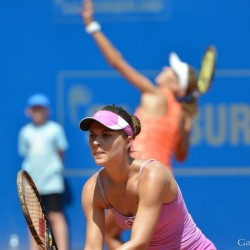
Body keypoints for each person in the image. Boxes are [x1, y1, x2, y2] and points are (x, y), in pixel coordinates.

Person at [81, 0, 199, 248]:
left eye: (172, 71)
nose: (166, 68)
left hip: (143, 175)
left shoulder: (155, 95)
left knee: (122, 238)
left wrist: (92, 26)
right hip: (153, 176)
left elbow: (117, 62)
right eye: (93, 134)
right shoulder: (181, 115)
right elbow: (182, 154)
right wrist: (186, 128)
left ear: (177, 87)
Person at [80, 105, 216, 250]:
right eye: (92, 135)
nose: (95, 142)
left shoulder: (152, 175)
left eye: (106, 135)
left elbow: (139, 243)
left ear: (128, 141)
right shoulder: (92, 189)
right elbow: (92, 246)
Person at [18, 93, 69, 250]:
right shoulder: (25, 132)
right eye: (35, 109)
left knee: (55, 216)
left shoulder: (55, 129)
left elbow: (61, 152)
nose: (38, 112)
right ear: (29, 112)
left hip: (52, 182)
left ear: (47, 111)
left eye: (41, 109)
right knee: (34, 219)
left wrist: (52, 170)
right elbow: (24, 153)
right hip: (32, 182)